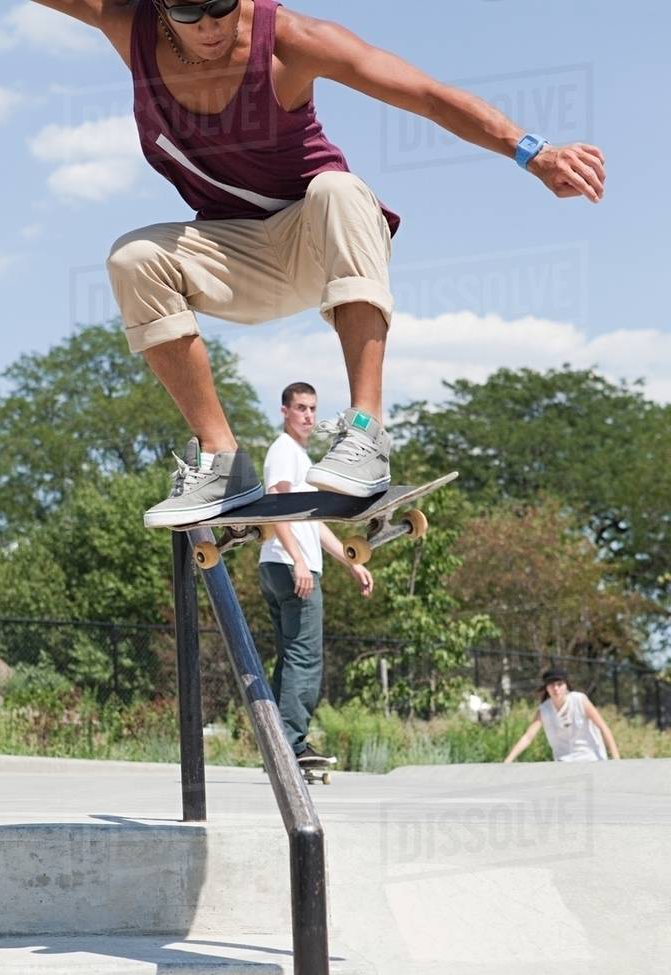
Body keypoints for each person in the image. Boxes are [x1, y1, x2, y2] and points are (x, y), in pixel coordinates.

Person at [33, 0, 606, 528]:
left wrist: (533, 152)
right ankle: (221, 460)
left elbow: (426, 94)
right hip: (236, 256)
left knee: (337, 188)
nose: (209, 26)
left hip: (322, 240)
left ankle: (365, 430)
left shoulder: (291, 41)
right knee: (134, 257)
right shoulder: (126, 25)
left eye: (221, 6)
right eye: (189, 10)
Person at [259, 381, 373, 762]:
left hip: (282, 564)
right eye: (300, 408)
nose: (308, 416)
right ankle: (291, 746)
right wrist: (299, 560)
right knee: (305, 657)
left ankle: (278, 745)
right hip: (289, 565)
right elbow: (275, 505)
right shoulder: (284, 451)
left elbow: (313, 523)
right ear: (284, 411)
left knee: (291, 657)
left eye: (312, 409)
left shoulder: (303, 460)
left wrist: (350, 561)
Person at [504, 669, 621, 763]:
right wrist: (507, 761)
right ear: (546, 688)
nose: (556, 688)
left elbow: (603, 727)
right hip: (565, 761)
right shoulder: (544, 710)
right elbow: (528, 737)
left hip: (591, 757)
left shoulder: (579, 700)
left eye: (559, 684)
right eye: (551, 685)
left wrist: (616, 760)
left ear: (566, 686)